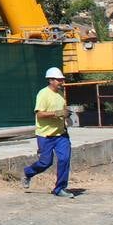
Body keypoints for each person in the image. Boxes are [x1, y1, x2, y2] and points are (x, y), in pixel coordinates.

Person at [22, 66, 73, 198]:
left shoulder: (61, 94)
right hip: (45, 135)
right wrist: (57, 113)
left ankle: (60, 188)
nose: (61, 82)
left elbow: (62, 111)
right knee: (45, 162)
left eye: (62, 80)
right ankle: (28, 173)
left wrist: (66, 116)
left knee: (64, 159)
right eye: (59, 80)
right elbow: (39, 114)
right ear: (51, 80)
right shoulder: (43, 94)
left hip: (61, 134)